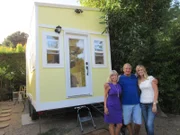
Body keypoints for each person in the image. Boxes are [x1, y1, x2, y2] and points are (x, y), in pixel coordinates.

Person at [118, 63, 141, 135]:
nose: (128, 70)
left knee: (138, 122)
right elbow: (112, 82)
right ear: (123, 69)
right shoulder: (120, 78)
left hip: (136, 103)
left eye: (129, 68)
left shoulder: (135, 77)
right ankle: (131, 133)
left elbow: (144, 77)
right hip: (125, 103)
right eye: (126, 68)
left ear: (131, 70)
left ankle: (136, 133)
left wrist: (153, 80)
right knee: (127, 122)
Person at [136, 65, 159, 135]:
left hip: (151, 104)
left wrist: (154, 104)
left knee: (149, 124)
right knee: (146, 124)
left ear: (144, 70)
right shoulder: (138, 80)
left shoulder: (150, 78)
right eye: (138, 70)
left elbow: (156, 91)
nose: (140, 71)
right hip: (142, 104)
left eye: (141, 70)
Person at [104, 70, 123, 135]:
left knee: (119, 124)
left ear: (117, 76)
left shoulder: (119, 85)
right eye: (112, 75)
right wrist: (105, 107)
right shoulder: (107, 85)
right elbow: (105, 96)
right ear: (110, 77)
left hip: (118, 106)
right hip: (110, 106)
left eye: (115, 75)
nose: (113, 77)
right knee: (111, 124)